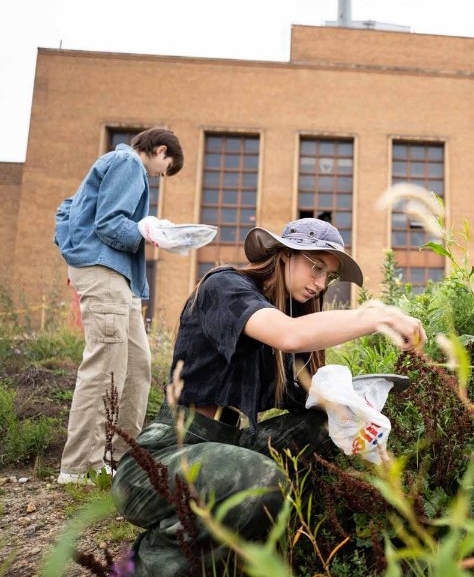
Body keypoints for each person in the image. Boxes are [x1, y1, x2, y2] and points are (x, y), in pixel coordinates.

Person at [112, 217, 426, 576]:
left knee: (327, 422)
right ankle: (143, 567)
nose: (321, 283)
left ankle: (256, 546)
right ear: (285, 254)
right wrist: (375, 316)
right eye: (316, 267)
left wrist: (364, 418)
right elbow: (288, 334)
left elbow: (310, 399)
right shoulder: (225, 286)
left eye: (330, 277)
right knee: (262, 479)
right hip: (164, 457)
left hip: (233, 446)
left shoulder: (288, 324)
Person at [54, 128, 184, 484]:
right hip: (106, 272)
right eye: (165, 168)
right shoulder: (128, 163)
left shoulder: (112, 164)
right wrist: (149, 232)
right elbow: (111, 224)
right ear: (159, 150)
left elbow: (67, 210)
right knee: (105, 366)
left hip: (117, 277)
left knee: (137, 365)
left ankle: (118, 458)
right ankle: (80, 468)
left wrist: (75, 251)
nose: (161, 176)